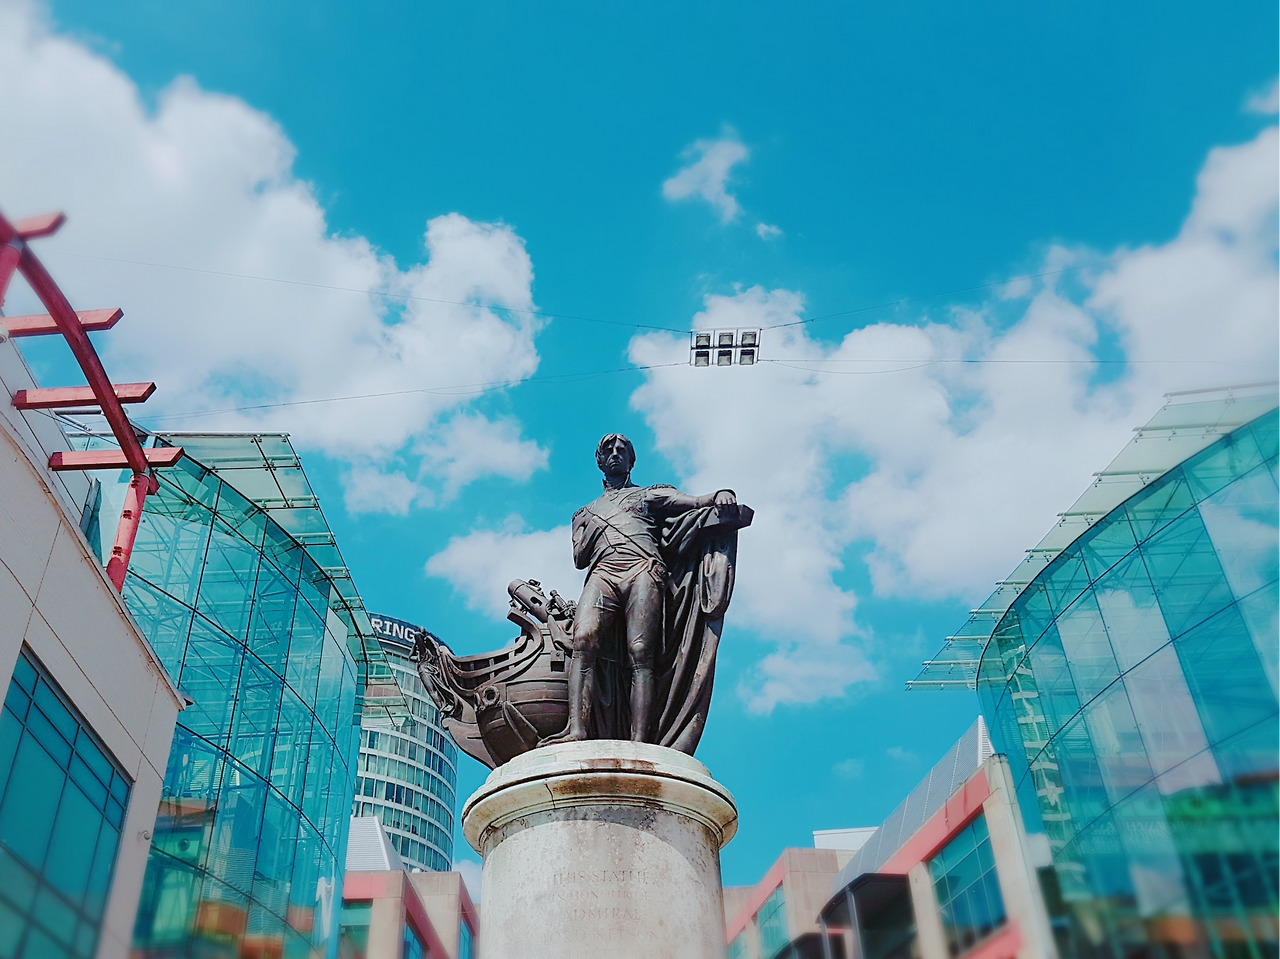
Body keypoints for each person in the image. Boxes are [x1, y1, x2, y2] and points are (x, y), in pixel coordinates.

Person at [542, 434, 737, 745]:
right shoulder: (583, 513)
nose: (615, 453)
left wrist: (720, 494)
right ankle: (577, 730)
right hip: (603, 572)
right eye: (608, 450)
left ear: (631, 461)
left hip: (643, 569)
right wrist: (595, 527)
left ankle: (640, 741)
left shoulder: (649, 494)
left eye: (622, 450)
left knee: (641, 652)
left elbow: (694, 501)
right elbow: (580, 559)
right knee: (583, 640)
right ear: (599, 461)